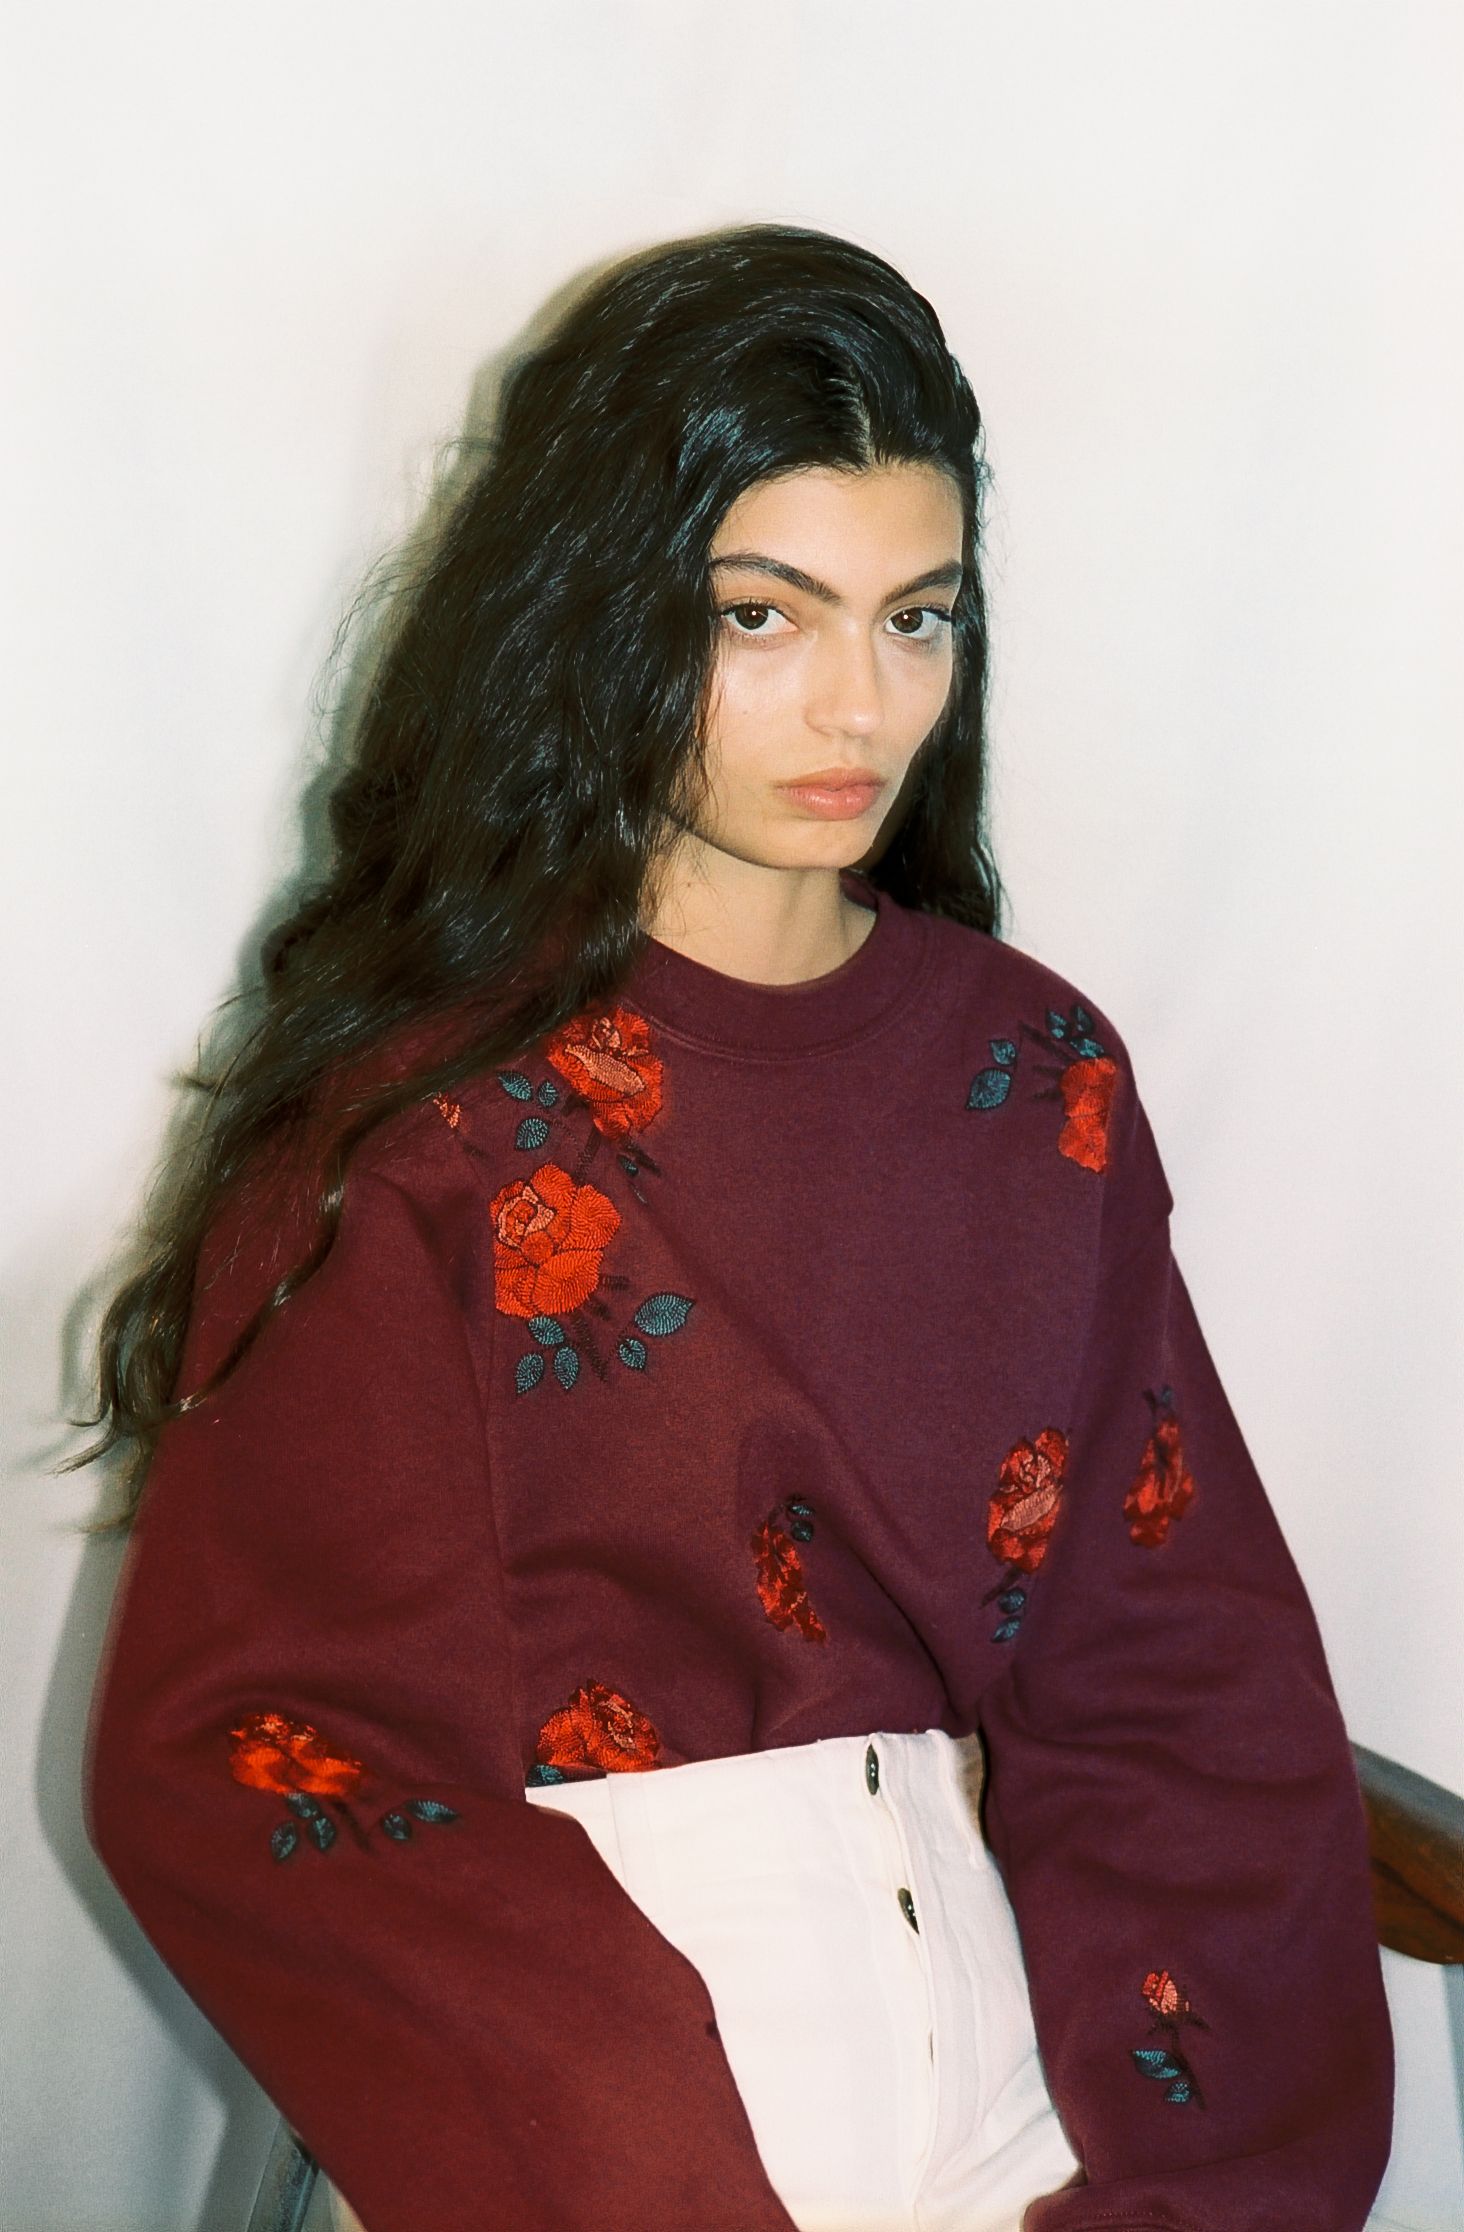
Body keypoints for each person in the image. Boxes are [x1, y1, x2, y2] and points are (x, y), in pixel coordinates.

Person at [76, 222, 1393, 2232]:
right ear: (608, 615)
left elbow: (1174, 1667)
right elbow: (265, 1756)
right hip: (572, 2098)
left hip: (1015, 2049)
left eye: (918, 616)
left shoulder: (1034, 1077)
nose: (858, 704)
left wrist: (1210, 2167)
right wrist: (629, 2159)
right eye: (762, 617)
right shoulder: (434, 1126)